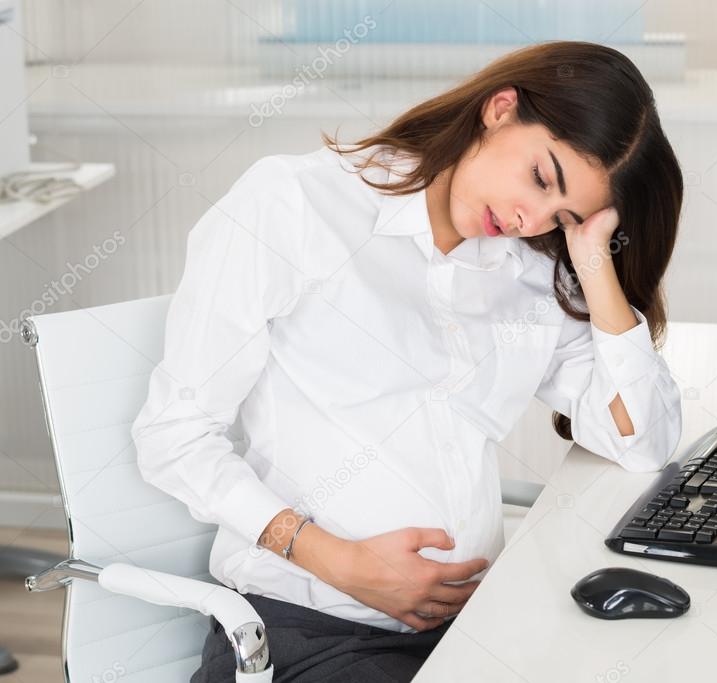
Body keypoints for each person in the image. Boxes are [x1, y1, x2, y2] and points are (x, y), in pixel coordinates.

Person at [130, 40, 684, 682]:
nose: (528, 217)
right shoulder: (295, 205)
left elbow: (641, 441)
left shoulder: (527, 272)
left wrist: (594, 264)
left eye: (562, 214)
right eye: (540, 177)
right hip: (310, 632)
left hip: (476, 628)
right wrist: (336, 560)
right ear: (500, 109)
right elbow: (172, 437)